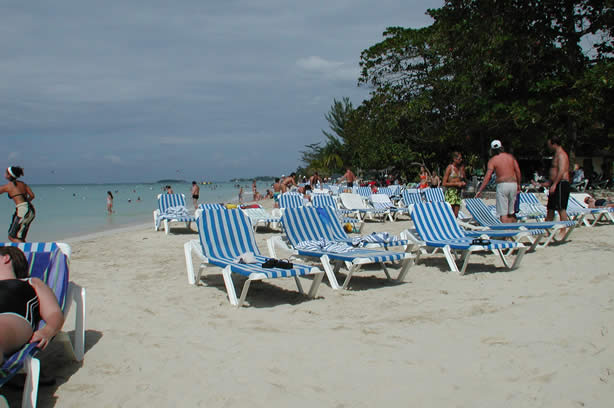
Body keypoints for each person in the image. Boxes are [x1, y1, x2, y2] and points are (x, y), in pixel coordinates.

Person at [0, 246, 64, 365]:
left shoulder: (31, 282)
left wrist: (49, 330)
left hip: (11, 318)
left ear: (6, 258)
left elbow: (54, 313)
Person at [475, 140, 522, 223]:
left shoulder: (493, 160)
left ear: (492, 150)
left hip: (502, 185)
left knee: (503, 213)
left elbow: (488, 177)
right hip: (513, 184)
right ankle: (514, 232)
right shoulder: (510, 157)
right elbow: (518, 171)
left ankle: (506, 234)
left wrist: (480, 190)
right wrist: (518, 184)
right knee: (511, 212)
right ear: (501, 148)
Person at [0, 166, 36, 243]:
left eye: (6, 173)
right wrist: (26, 203)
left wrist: (23, 206)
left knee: (12, 236)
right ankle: (24, 251)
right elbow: (32, 196)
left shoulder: (8, 186)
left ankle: (23, 253)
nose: (4, 174)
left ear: (9, 175)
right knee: (20, 237)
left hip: (23, 211)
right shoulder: (23, 184)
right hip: (31, 210)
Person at [543, 136, 570, 221]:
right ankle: (547, 229)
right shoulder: (556, 155)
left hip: (561, 183)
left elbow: (561, 171)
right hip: (555, 183)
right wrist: (550, 182)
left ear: (554, 144)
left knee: (561, 208)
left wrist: (554, 185)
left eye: (549, 145)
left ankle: (563, 230)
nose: (548, 147)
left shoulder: (562, 155)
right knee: (550, 208)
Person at [443, 152, 466, 217]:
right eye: (459, 159)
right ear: (454, 159)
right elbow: (444, 183)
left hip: (457, 193)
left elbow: (463, 180)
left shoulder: (460, 168)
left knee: (456, 215)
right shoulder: (450, 168)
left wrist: (463, 183)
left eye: (461, 158)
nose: (461, 160)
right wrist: (456, 184)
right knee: (450, 214)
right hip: (451, 193)